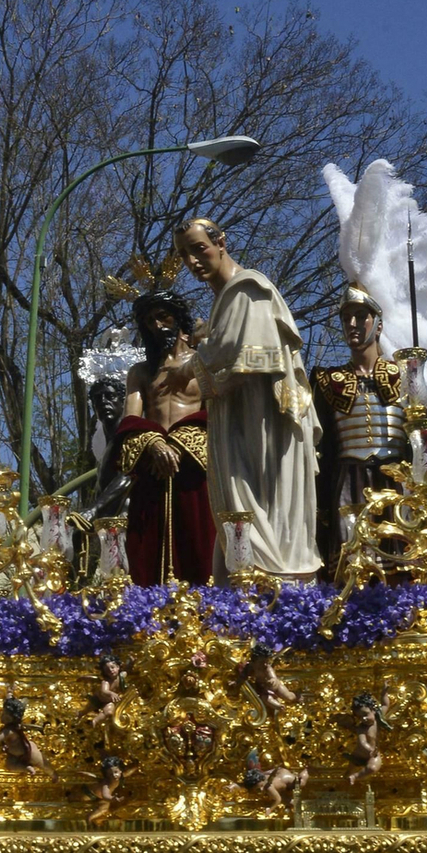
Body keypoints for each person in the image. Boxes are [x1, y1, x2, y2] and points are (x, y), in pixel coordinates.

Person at [166, 218, 319, 581]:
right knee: (235, 504)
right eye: (183, 255)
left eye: (199, 249)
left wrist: (188, 369)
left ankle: (272, 583)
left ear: (221, 243)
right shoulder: (226, 300)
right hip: (235, 419)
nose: (192, 262)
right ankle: (243, 585)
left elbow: (250, 357)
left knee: (259, 502)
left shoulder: (248, 289)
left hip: (262, 424)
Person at [114, 291, 216, 585]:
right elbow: (130, 420)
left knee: (199, 543)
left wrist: (180, 443)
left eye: (163, 316)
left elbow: (214, 413)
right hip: (154, 466)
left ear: (179, 317)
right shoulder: (141, 372)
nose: (157, 325)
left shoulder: (203, 362)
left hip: (194, 466)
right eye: (149, 321)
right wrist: (155, 443)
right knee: (146, 547)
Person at [310, 286, 408, 575]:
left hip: (396, 483)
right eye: (346, 318)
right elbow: (318, 444)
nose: (352, 324)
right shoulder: (327, 381)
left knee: (403, 564)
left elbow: (426, 440)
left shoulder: (405, 375)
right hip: (348, 483)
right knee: (351, 563)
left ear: (378, 324)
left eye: (361, 316)